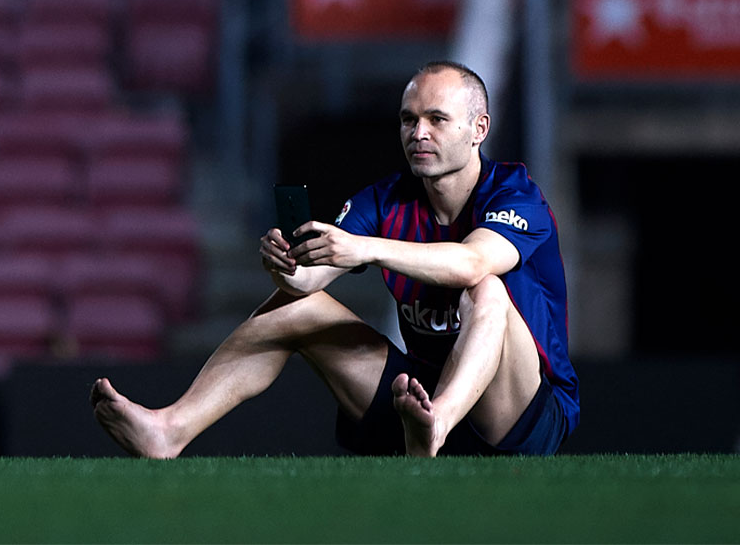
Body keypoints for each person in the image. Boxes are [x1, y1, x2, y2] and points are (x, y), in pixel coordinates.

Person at [90, 61, 578, 457]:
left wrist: (367, 247)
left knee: (487, 288)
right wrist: (286, 266)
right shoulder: (385, 199)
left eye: (437, 119)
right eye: (408, 119)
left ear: (479, 129)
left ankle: (436, 425)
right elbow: (307, 281)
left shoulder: (516, 194)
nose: (419, 133)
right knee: (295, 306)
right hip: (415, 395)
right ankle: (168, 431)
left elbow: (472, 263)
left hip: (518, 415)